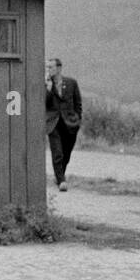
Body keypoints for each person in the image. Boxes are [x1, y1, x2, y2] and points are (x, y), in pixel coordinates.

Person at [45, 58, 82, 192]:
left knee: (66, 152)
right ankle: (61, 180)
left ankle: (59, 174)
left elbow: (78, 103)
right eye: (47, 67)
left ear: (59, 68)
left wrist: (78, 119)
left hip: (70, 123)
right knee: (57, 152)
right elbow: (44, 103)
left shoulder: (71, 83)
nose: (48, 70)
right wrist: (48, 90)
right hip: (53, 123)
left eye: (51, 67)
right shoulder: (46, 85)